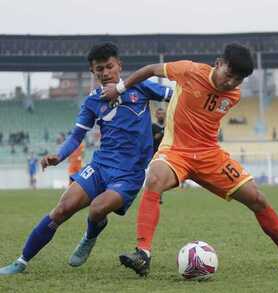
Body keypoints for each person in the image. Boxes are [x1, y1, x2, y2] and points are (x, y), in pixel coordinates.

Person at [102, 43, 278, 277]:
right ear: (218, 63)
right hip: (176, 151)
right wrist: (121, 88)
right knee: (154, 179)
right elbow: (151, 69)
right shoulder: (189, 71)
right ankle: (142, 254)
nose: (231, 82)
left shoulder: (233, 95)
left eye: (237, 79)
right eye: (228, 74)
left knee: (257, 198)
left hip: (209, 155)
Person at [0, 42, 173, 276]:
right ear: (93, 73)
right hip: (100, 167)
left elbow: (176, 97)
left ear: (119, 65)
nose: (105, 73)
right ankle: (21, 261)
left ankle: (91, 234)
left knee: (97, 208)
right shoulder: (92, 101)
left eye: (109, 66)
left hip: (129, 173)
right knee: (63, 208)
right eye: (99, 69)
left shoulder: (140, 87)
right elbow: (76, 136)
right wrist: (58, 156)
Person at [151, 107, 166, 204]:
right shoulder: (153, 126)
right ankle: (155, 196)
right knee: (155, 176)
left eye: (162, 114)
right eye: (159, 114)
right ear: (156, 115)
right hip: (155, 153)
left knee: (162, 176)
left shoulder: (168, 126)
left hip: (166, 153)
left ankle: (159, 196)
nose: (161, 115)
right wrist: (161, 132)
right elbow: (153, 138)